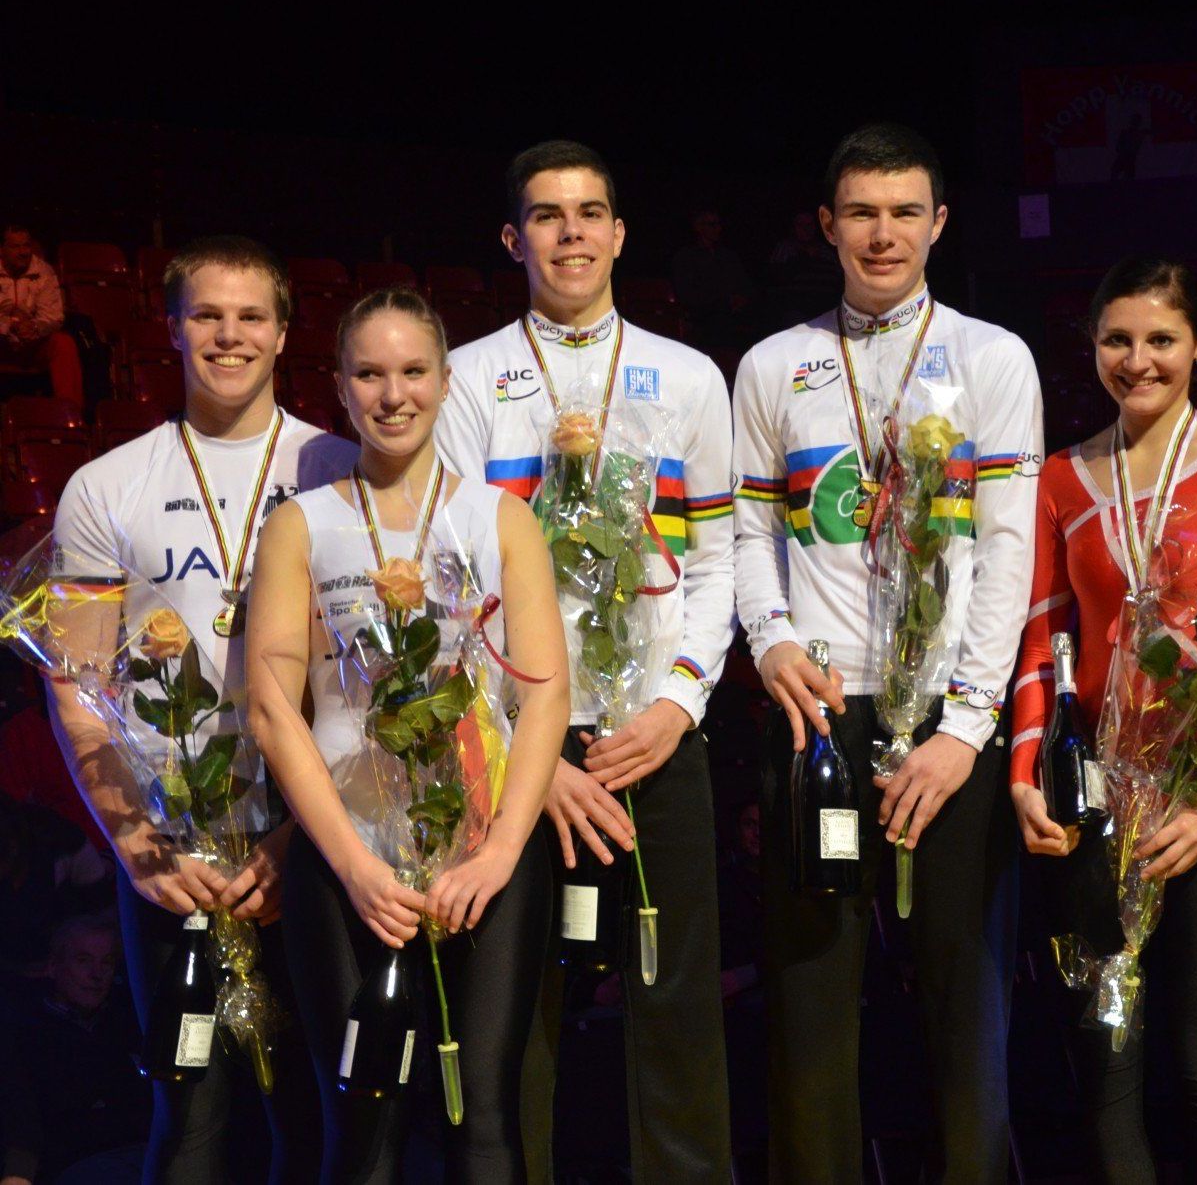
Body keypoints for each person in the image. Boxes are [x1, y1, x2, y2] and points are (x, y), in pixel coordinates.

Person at [732, 122, 1042, 1183]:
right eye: (860, 211)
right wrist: (770, 645)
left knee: (968, 1012)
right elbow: (743, 535)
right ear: (825, 225)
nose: (882, 233)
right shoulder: (774, 365)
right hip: (817, 714)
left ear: (939, 223)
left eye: (904, 211)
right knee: (811, 1012)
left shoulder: (993, 358)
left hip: (948, 727)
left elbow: (1008, 554)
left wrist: (966, 728)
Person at [435, 141, 737, 1182]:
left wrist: (678, 706)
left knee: (676, 997)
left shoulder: (688, 375)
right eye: (548, 215)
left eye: (590, 212)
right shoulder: (466, 380)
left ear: (618, 233)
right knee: (521, 1010)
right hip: (520, 744)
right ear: (513, 239)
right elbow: (450, 585)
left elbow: (714, 562)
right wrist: (527, 749)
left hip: (653, 735)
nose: (571, 233)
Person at [49, 234, 357, 1184]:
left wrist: (299, 839)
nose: (230, 335)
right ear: (174, 328)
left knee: (321, 1119)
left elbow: (376, 685)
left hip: (317, 841)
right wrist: (138, 841)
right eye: (208, 315)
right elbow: (76, 682)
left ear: (284, 331)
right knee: (190, 1116)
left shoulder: (340, 465)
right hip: (173, 852)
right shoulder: (105, 486)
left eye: (251, 315)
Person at [246, 288, 567, 1182]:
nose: (394, 394)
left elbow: (541, 697)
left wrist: (500, 852)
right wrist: (353, 866)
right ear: (341, 387)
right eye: (370, 374)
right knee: (363, 1114)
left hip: (483, 855)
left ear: (444, 379)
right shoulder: (302, 524)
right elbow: (275, 708)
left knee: (486, 1113)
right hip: (348, 861)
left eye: (413, 371)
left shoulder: (501, 518)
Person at [1008, 257, 1197, 1183]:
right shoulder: (1062, 476)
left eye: (1161, 341)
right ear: (1092, 345)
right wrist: (1025, 777)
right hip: (1100, 799)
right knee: (1107, 1057)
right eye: (1117, 340)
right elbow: (1039, 640)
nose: (1138, 361)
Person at [0, 912, 150, 1185]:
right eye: (83, 961)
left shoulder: (127, 1018)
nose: (97, 974)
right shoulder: (27, 1032)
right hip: (79, 1164)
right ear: (54, 966)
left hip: (144, 1153)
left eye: (106, 962)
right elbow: (23, 1124)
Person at [0, 223, 83, 405]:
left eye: (26, 245)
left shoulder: (43, 272)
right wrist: (10, 326)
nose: (23, 252)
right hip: (2, 342)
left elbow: (53, 316)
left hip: (32, 343)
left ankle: (71, 415)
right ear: (2, 249)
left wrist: (34, 327)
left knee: (63, 344)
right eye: (16, 246)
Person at [669, 206, 750, 342]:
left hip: (733, 311)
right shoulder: (686, 257)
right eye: (712, 225)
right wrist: (721, 299)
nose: (718, 229)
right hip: (704, 314)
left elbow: (744, 283)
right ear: (698, 227)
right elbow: (687, 293)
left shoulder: (728, 256)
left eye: (718, 224)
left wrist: (742, 298)